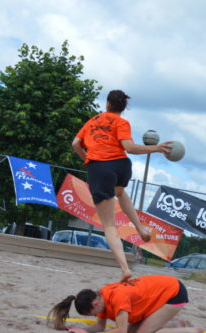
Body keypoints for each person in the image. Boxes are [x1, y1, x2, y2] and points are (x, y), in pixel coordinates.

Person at [72, 90, 172, 281]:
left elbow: (76, 144)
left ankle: (125, 268)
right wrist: (157, 148)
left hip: (99, 168)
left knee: (109, 225)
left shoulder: (92, 120)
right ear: (123, 108)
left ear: (108, 104)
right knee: (120, 192)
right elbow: (130, 148)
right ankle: (140, 229)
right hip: (121, 167)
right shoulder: (122, 122)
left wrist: (88, 161)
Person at [48, 275, 203, 333]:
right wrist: (79, 329)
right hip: (158, 293)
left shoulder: (117, 299)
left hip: (173, 293)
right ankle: (177, 325)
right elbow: (99, 327)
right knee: (134, 331)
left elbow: (121, 330)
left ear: (95, 304)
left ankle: (194, 331)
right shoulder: (100, 298)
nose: (96, 316)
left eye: (93, 314)